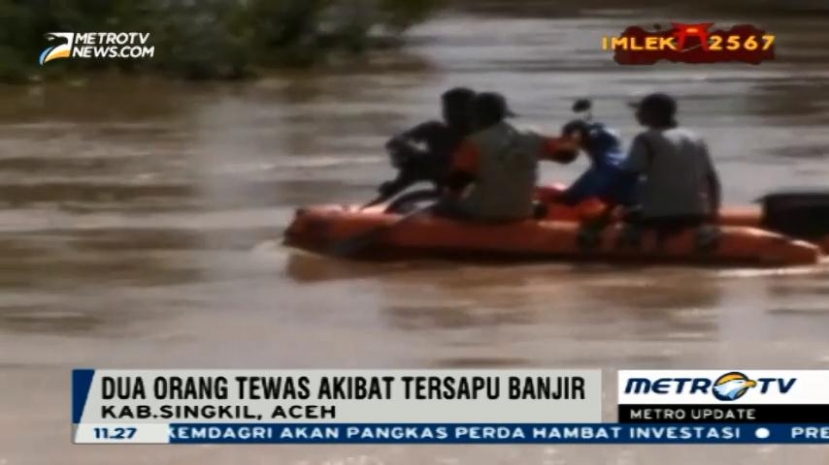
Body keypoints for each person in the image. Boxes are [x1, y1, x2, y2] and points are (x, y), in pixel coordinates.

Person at [436, 92, 578, 222]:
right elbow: (567, 156)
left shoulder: (474, 142)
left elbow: (457, 183)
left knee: (444, 206)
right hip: (523, 212)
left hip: (485, 214)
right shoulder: (532, 137)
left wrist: (446, 204)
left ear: (475, 117)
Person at [621, 92, 721, 232]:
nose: (637, 114)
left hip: (659, 216)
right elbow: (712, 179)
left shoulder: (645, 139)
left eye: (641, 110)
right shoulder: (695, 138)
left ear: (653, 113)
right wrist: (713, 213)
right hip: (697, 214)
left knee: (623, 214)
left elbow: (627, 178)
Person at [377, 87, 477, 205]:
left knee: (423, 161)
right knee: (414, 163)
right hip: (437, 175)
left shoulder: (480, 135)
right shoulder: (434, 129)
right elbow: (396, 141)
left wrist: (426, 157)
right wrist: (407, 148)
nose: (447, 114)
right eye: (446, 109)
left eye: (454, 110)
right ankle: (381, 200)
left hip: (469, 186)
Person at [553, 119, 639, 208]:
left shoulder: (606, 165)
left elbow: (594, 183)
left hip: (626, 204)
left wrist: (571, 198)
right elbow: (589, 179)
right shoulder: (614, 159)